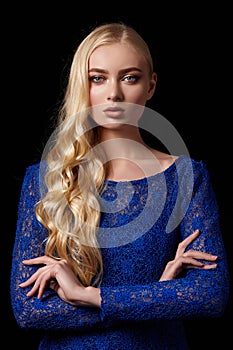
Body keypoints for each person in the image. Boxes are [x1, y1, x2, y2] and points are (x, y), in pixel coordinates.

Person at [10, 22, 230, 349]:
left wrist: (86, 295)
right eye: (97, 78)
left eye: (129, 78)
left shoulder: (187, 176)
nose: (114, 93)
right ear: (82, 86)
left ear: (151, 85)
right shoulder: (46, 179)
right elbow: (30, 310)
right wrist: (156, 296)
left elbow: (209, 295)